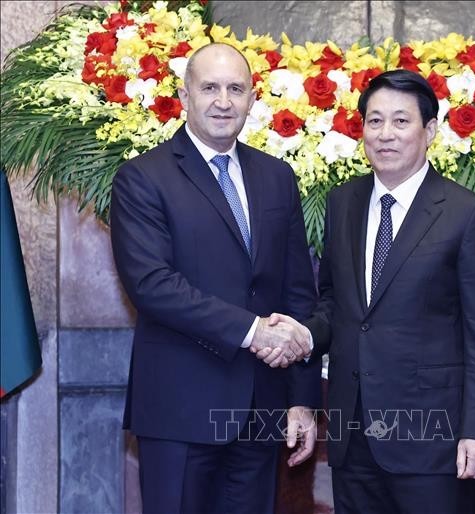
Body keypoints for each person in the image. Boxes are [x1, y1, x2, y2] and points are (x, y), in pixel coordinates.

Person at [267, 69, 475, 513]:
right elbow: (335, 304)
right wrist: (303, 336)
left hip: (434, 440)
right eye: (374, 121)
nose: (385, 134)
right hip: (353, 434)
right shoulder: (344, 203)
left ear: (429, 130)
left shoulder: (466, 214)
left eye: (401, 121)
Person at [110, 43, 320, 514]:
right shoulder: (143, 177)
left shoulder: (276, 177)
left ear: (251, 99)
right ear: (184, 97)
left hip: (261, 409)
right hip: (180, 409)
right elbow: (153, 284)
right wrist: (253, 332)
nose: (223, 101)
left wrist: (303, 400)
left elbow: (297, 291)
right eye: (209, 88)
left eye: (235, 89)